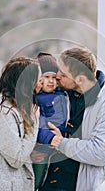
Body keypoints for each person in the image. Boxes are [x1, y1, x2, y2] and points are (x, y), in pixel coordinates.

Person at [39, 47, 105, 191]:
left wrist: (60, 142)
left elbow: (99, 153)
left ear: (80, 79)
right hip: (49, 182)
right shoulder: (62, 93)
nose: (57, 76)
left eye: (63, 73)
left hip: (82, 185)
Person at [0, 57, 41, 191]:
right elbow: (16, 159)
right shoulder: (3, 114)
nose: (41, 84)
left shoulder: (15, 109)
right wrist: (34, 123)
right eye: (38, 80)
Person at [33, 52, 67, 190]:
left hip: (59, 145)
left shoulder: (62, 93)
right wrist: (50, 138)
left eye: (54, 77)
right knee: (37, 179)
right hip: (44, 144)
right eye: (46, 77)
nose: (51, 81)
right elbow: (39, 124)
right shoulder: (37, 99)